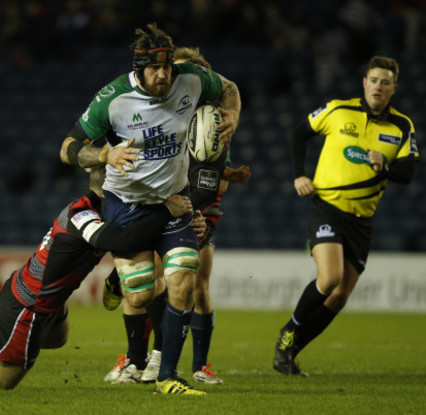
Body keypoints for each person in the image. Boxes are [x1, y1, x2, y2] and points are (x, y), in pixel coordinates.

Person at [0, 166, 195, 390]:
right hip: (27, 306)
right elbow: (124, 242)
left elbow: (137, 239)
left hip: (49, 305)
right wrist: (167, 212)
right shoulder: (83, 217)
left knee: (58, 338)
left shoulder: (103, 212)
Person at [59, 24, 241, 395]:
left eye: (167, 67)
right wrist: (105, 153)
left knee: (184, 279)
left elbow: (230, 88)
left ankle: (168, 376)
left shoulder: (190, 78)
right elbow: (67, 148)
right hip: (127, 207)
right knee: (140, 294)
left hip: (176, 204)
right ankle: (133, 330)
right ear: (139, 68)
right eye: (155, 69)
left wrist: (233, 114)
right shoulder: (113, 98)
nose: (163, 75)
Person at [102, 46, 252, 386]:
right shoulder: (155, 113)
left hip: (196, 205)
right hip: (159, 204)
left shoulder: (212, 121)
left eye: (183, 74)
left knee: (192, 281)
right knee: (149, 279)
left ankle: (189, 364)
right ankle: (138, 359)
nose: (173, 81)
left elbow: (209, 179)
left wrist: (195, 206)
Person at [273, 55, 419, 376]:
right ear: (364, 83)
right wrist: (299, 174)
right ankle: (289, 331)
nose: (378, 87)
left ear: (394, 88)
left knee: (339, 297)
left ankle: (291, 352)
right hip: (327, 207)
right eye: (374, 80)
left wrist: (387, 165)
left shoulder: (402, 126)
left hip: (361, 220)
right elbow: (300, 132)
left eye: (385, 82)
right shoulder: (339, 110)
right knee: (330, 279)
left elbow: (408, 173)